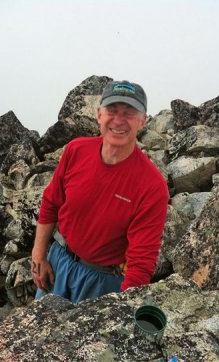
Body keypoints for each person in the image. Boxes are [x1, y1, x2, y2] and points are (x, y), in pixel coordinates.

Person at [31, 80, 169, 303]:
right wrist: (39, 255)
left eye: (129, 113)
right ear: (99, 115)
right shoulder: (76, 150)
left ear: (143, 121)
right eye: (112, 111)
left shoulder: (152, 186)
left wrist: (123, 307)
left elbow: (140, 262)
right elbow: (51, 203)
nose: (119, 120)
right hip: (58, 261)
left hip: (102, 281)